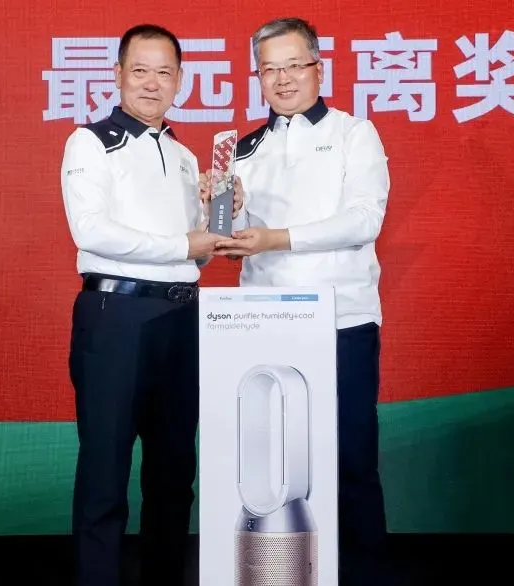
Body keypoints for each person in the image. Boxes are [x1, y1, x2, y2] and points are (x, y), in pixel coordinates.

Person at [203, 16, 393, 586]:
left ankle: (364, 575)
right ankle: (277, 575)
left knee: (351, 460)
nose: (282, 79)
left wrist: (278, 237)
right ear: (258, 77)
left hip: (341, 320)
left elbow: (364, 220)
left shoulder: (354, 133)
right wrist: (225, 209)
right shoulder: (242, 148)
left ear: (318, 68)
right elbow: (228, 242)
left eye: (293, 66)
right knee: (269, 464)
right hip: (265, 322)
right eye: (269, 70)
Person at [59, 23, 238, 586]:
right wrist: (185, 244)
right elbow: (91, 231)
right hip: (117, 316)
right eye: (140, 71)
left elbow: (200, 249)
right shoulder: (90, 142)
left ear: (180, 80)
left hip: (182, 318)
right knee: (105, 469)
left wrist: (220, 215)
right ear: (117, 75)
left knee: (174, 472)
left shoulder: (186, 157)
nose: (152, 83)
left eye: (165, 73)